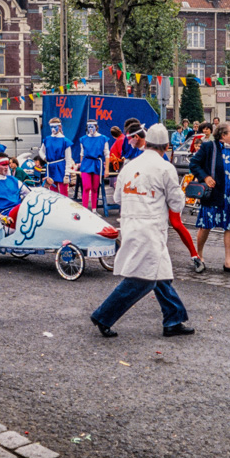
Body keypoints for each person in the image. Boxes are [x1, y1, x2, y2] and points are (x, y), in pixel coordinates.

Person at [90, 124, 195, 338]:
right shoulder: (165, 168)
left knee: (160, 274)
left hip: (130, 222)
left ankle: (173, 318)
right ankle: (103, 315)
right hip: (151, 226)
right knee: (143, 278)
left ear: (146, 143)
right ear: (166, 146)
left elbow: (117, 197)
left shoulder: (130, 165)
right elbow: (176, 202)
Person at [190, 121, 230, 274]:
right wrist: (205, 177)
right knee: (206, 224)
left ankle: (228, 262)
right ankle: (198, 255)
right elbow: (194, 164)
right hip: (213, 195)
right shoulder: (209, 147)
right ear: (223, 135)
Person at [0, 151, 32, 230]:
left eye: (7, 164)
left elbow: (30, 194)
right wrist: (2, 217)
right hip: (8, 218)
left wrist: (45, 186)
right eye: (3, 164)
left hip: (21, 212)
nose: (7, 167)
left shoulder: (13, 180)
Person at [78, 119, 110, 211]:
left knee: (95, 188)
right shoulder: (83, 139)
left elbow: (107, 154)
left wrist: (106, 168)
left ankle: (94, 210)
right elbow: (82, 154)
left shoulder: (103, 138)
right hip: (86, 164)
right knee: (86, 187)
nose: (90, 128)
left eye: (92, 126)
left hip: (97, 163)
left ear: (96, 127)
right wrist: (81, 167)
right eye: (89, 126)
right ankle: (84, 210)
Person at [39, 118, 73, 195]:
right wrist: (45, 158)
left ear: (60, 127)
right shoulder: (47, 139)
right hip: (51, 166)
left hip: (61, 167)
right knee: (52, 192)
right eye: (51, 127)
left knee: (63, 193)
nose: (53, 129)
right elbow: (41, 151)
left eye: (55, 127)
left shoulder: (65, 141)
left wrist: (67, 173)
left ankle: (64, 207)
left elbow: (68, 158)